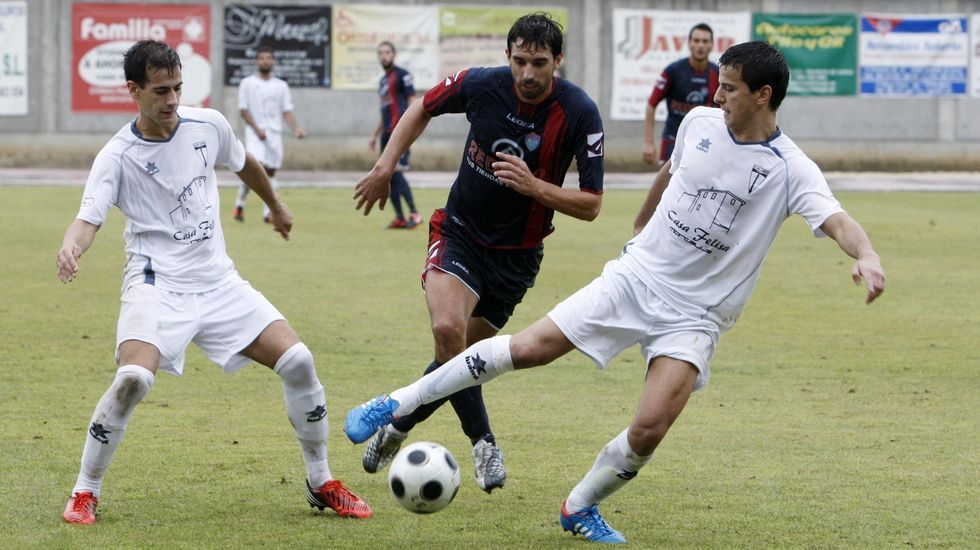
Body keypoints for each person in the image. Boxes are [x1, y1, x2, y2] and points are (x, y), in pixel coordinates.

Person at [345, 41, 886, 543]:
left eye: (730, 88)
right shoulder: (699, 121)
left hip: (697, 316)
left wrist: (865, 254)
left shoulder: (791, 168)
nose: (716, 96)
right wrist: (641, 225)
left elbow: (837, 220)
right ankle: (393, 403)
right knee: (529, 348)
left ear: (763, 95)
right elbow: (672, 172)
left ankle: (579, 507)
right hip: (635, 279)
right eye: (718, 85)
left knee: (650, 427)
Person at [58, 40, 370, 525]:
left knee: (299, 361)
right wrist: (72, 246)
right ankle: (85, 491)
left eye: (178, 87)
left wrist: (276, 204)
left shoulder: (209, 125)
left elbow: (244, 162)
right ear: (133, 91)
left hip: (219, 283)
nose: (172, 100)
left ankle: (321, 480)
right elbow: (88, 219)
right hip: (155, 285)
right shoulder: (116, 156)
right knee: (133, 380)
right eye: (160, 91)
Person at [351, 13, 604, 494]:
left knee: (461, 358)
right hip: (460, 233)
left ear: (559, 61)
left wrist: (535, 187)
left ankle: (398, 424)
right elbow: (422, 106)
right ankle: (483, 441)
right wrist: (386, 164)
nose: (528, 74)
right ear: (507, 56)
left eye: (540, 63)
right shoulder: (482, 86)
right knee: (449, 333)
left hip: (517, 256)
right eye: (520, 61)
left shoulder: (579, 113)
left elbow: (591, 205)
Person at [233, 46, 305, 223]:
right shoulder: (247, 83)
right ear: (257, 61)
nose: (265, 61)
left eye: (268, 58)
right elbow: (243, 110)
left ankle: (267, 212)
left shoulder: (281, 86)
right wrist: (257, 129)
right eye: (262, 58)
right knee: (257, 168)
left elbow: (286, 111)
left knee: (271, 172)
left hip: (274, 134)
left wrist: (295, 128)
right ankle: (240, 204)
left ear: (273, 61)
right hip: (255, 134)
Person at [643, 23, 718, 167]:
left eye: (705, 41)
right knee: (667, 187)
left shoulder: (719, 74)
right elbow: (651, 105)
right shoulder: (673, 71)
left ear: (711, 45)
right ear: (689, 43)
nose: (700, 45)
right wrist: (648, 142)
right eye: (696, 40)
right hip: (673, 139)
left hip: (705, 141)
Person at [370, 41, 422, 230]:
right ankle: (400, 217)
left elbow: (413, 101)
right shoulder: (383, 81)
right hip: (386, 134)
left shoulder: (403, 76)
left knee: (396, 173)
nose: (384, 55)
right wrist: (374, 135)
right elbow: (384, 111)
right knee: (387, 175)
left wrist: (411, 128)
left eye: (387, 52)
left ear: (394, 54)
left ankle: (414, 214)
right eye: (381, 52)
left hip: (399, 134)